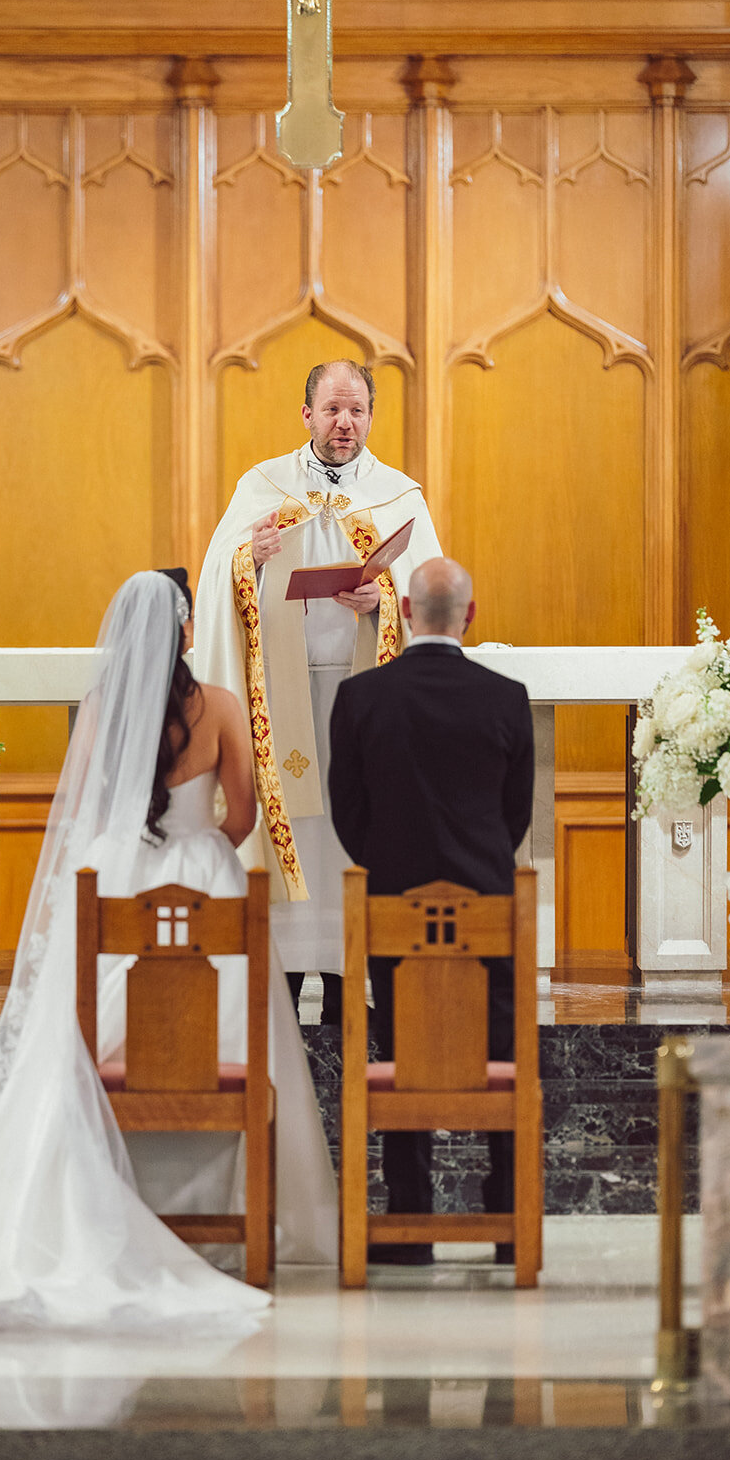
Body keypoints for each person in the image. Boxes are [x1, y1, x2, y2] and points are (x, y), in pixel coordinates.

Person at [0, 568, 333, 1333]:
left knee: (78, 1038)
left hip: (113, 871)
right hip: (209, 879)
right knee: (236, 1026)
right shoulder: (224, 708)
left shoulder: (102, 710)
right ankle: (235, 1221)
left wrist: (130, 852)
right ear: (184, 631)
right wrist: (200, 851)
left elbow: (85, 810)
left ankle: (99, 1205)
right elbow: (243, 813)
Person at [195, 360, 441, 1023]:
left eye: (357, 410)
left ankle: (341, 985)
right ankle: (289, 972)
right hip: (283, 698)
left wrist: (381, 599)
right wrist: (253, 555)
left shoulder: (398, 494)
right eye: (333, 409)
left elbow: (428, 593)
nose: (345, 423)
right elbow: (218, 574)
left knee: (349, 828)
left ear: (371, 415)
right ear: (306, 414)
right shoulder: (263, 486)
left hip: (363, 698)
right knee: (298, 830)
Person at [328, 557, 534, 1266]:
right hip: (488, 903)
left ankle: (410, 1211)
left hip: (391, 900)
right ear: (469, 617)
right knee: (501, 1043)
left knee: (404, 1045)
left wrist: (394, 872)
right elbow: (516, 815)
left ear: (407, 615)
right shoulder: (506, 699)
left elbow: (347, 812)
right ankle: (506, 1214)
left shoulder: (361, 700)